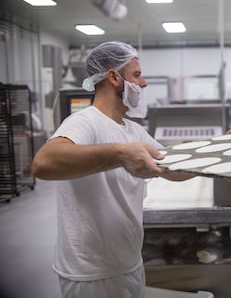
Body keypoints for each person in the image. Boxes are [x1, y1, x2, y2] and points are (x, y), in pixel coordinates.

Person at [31, 41, 192, 298]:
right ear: (114, 77)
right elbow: (44, 163)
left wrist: (217, 155)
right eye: (137, 75)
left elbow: (171, 167)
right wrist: (120, 154)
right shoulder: (84, 122)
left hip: (129, 263)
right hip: (92, 274)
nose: (144, 83)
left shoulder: (133, 130)